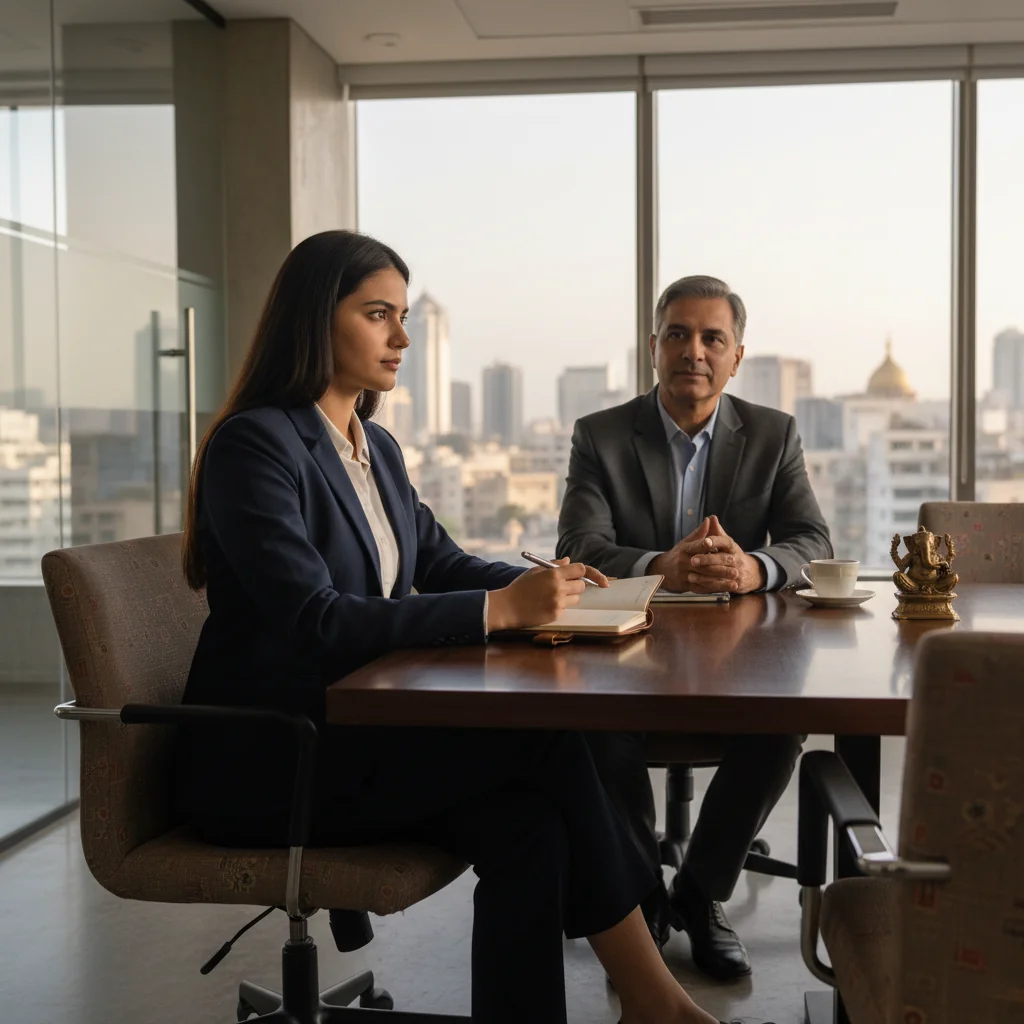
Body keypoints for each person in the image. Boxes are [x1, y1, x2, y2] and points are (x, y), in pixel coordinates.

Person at [176, 232, 762, 1024]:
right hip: (277, 756)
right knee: (542, 739)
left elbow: (442, 559)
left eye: (404, 316)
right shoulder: (257, 445)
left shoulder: (372, 446)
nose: (402, 338)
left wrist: (551, 588)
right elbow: (314, 619)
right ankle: (656, 1001)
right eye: (377, 314)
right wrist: (499, 612)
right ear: (316, 320)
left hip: (355, 733)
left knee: (532, 828)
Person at [557, 275, 832, 981]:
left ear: (737, 355)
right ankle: (639, 895)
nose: (694, 351)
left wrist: (754, 569)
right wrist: (661, 568)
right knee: (593, 726)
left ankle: (700, 891)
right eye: (678, 334)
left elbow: (812, 541)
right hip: (626, 647)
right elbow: (580, 547)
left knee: (782, 725)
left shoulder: (774, 434)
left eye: (713, 337)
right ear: (654, 348)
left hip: (738, 650)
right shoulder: (602, 434)